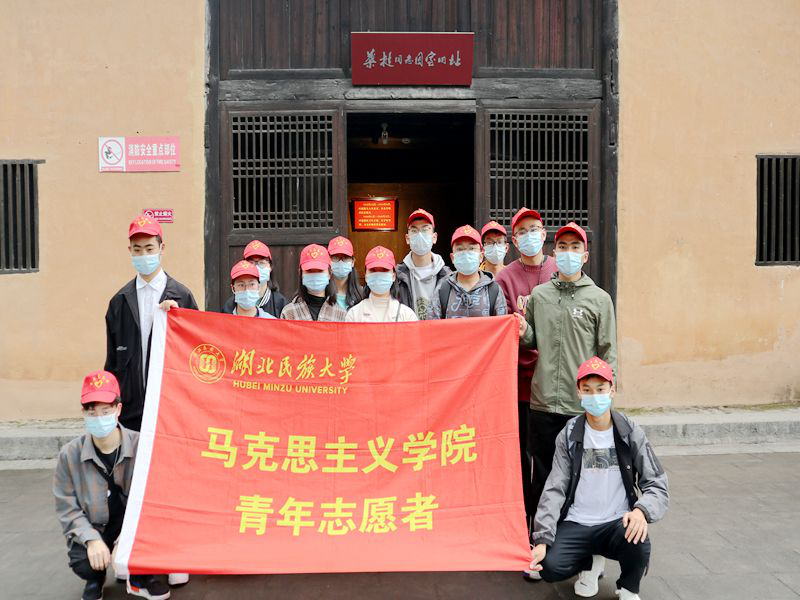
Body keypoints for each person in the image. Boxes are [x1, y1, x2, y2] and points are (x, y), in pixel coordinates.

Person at [516, 221, 618, 580]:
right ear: (554, 252)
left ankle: (585, 552)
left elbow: (608, 352)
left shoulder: (599, 299)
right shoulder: (540, 296)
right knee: (543, 479)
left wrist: (603, 401)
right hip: (543, 402)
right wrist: (521, 329)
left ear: (585, 256)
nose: (569, 253)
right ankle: (540, 548)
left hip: (581, 407)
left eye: (576, 248)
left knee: (583, 481)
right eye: (563, 247)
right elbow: (531, 340)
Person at [528, 357, 668, 600]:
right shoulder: (569, 434)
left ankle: (628, 587)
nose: (594, 396)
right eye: (587, 390)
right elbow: (555, 488)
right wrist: (542, 538)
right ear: (579, 393)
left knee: (638, 538)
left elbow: (656, 482)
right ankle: (590, 563)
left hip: (616, 521)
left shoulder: (630, 432)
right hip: (577, 521)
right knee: (548, 566)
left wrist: (641, 511)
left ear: (612, 390)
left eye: (601, 389)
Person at [54, 370, 173, 600]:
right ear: (83, 413)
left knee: (155, 538)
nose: (98, 418)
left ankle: (140, 577)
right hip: (96, 526)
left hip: (133, 527)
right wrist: (91, 539)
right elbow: (67, 508)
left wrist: (125, 540)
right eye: (91, 412)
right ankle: (95, 579)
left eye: (105, 411)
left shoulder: (143, 446)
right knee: (83, 561)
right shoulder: (69, 454)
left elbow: (156, 498)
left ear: (118, 409)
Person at [495, 207, 558, 539]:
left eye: (534, 229)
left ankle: (548, 521)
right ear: (515, 240)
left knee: (550, 456)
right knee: (520, 455)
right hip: (519, 383)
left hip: (554, 384)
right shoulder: (505, 278)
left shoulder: (559, 271)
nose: (529, 236)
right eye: (522, 231)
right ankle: (521, 519)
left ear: (544, 234)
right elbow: (501, 328)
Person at [104, 214, 198, 432]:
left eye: (149, 248)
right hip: (131, 414)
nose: (143, 255)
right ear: (130, 251)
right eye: (137, 250)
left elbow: (195, 353)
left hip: (172, 410)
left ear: (162, 248)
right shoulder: (119, 302)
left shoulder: (182, 297)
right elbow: (112, 363)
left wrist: (178, 318)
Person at [429, 225, 507, 319]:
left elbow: (502, 325)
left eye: (471, 248)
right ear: (452, 258)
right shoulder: (442, 289)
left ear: (481, 256)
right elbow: (432, 325)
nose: (466, 254)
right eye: (460, 249)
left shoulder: (493, 290)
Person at [396, 208, 450, 320]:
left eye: (425, 230)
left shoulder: (447, 277)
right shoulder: (397, 276)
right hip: (408, 330)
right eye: (414, 231)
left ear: (434, 237)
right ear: (407, 238)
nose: (420, 235)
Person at [346, 246, 417, 322]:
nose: (378, 274)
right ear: (366, 276)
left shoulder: (408, 316)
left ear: (393, 276)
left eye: (384, 270)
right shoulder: (353, 315)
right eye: (373, 270)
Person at [280, 244, 347, 321]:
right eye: (309, 271)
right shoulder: (289, 313)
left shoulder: (340, 314)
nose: (315, 275)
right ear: (300, 273)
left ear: (329, 273)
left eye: (320, 271)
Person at [221, 240, 287, 317]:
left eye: (261, 263)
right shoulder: (230, 306)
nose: (256, 268)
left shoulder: (280, 303)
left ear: (270, 266)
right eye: (251, 263)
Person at [328, 236, 364, 310]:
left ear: (353, 262)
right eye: (335, 257)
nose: (341, 262)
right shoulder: (322, 295)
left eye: (346, 257)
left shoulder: (363, 295)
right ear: (328, 261)